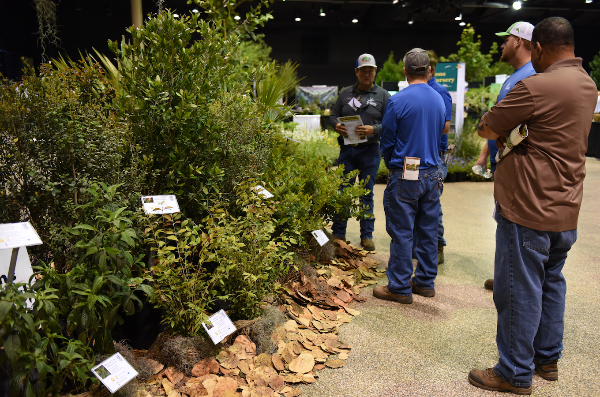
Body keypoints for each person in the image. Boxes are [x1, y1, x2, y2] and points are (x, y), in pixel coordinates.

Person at [468, 17, 598, 395]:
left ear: (538, 47)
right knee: (552, 281)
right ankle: (547, 359)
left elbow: (488, 128)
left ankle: (513, 373)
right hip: (566, 206)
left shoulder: (535, 87)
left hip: (528, 207)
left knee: (518, 289)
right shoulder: (588, 85)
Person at [373, 48, 446, 304]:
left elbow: (387, 140)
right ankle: (425, 282)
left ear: (404, 72)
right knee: (427, 231)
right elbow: (440, 135)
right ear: (428, 70)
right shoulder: (438, 99)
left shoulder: (398, 101)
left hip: (405, 174)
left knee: (402, 232)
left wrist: (392, 165)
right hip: (431, 173)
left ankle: (400, 286)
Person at [472, 21, 537, 291]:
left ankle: (512, 281)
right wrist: (484, 155)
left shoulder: (530, 76)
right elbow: (500, 122)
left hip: (518, 167)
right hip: (503, 162)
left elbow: (506, 125)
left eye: (506, 39)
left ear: (519, 42)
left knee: (513, 223)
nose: (502, 44)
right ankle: (504, 276)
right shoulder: (514, 76)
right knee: (503, 221)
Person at [329, 54, 390, 251]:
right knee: (343, 192)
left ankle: (366, 235)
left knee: (366, 193)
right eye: (363, 70)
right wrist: (337, 125)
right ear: (356, 72)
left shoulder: (383, 96)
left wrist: (375, 129)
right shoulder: (345, 93)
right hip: (347, 151)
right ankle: (338, 232)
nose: (367, 73)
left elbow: (391, 123)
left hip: (370, 151)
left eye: (370, 70)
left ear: (375, 71)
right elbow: (332, 115)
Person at [426, 50, 453, 264]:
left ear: (431, 70)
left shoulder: (439, 92)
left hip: (437, 155)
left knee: (433, 200)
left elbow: (445, 127)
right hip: (425, 154)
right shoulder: (423, 89)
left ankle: (438, 246)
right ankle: (426, 244)